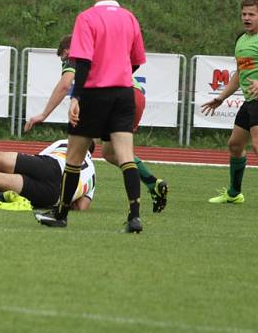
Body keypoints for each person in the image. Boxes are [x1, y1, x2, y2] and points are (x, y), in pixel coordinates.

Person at [34, 0, 146, 232]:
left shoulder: (86, 18)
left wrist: (77, 97)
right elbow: (137, 61)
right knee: (126, 156)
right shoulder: (129, 18)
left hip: (95, 94)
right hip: (123, 94)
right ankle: (135, 217)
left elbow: (81, 62)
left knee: (74, 156)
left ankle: (60, 214)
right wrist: (119, 75)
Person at [25, 34, 168, 212]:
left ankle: (63, 205)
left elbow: (64, 85)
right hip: (133, 95)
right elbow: (135, 62)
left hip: (109, 96)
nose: (64, 61)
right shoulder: (101, 50)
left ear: (68, 50)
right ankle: (152, 183)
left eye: (63, 57)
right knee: (112, 152)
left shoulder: (76, 54)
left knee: (78, 147)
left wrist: (43, 114)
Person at [201, 0, 258, 210]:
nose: (246, 18)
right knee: (235, 145)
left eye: (251, 14)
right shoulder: (241, 39)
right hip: (251, 99)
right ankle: (234, 194)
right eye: (244, 14)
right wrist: (221, 97)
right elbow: (239, 73)